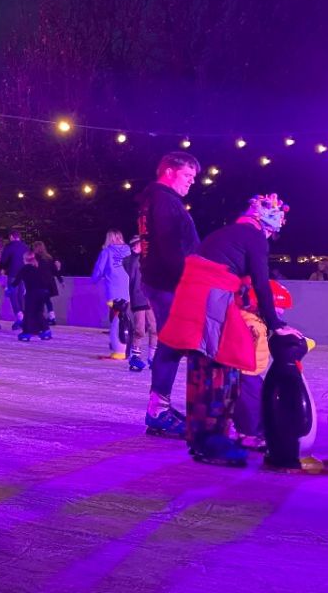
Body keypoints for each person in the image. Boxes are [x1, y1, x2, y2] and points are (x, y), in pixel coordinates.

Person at [158, 194, 302, 467]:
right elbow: (260, 282)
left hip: (192, 296)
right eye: (272, 231)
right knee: (223, 365)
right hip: (211, 298)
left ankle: (201, 438)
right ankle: (213, 441)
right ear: (267, 224)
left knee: (202, 365)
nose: (270, 238)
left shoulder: (225, 235)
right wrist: (276, 325)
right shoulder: (254, 236)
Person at [136, 151, 201, 438]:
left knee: (172, 344)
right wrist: (189, 281)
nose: (191, 182)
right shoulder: (163, 201)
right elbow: (170, 247)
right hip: (169, 283)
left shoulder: (156, 199)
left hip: (162, 281)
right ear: (170, 172)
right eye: (188, 176)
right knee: (173, 344)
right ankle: (158, 410)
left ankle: (159, 407)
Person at [91, 230, 132, 360]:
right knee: (125, 316)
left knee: (116, 317)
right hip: (128, 287)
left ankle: (119, 346)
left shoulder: (107, 252)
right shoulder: (129, 251)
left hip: (113, 288)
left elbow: (99, 269)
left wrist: (94, 279)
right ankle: (125, 345)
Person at [123, 235, 156, 371]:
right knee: (140, 330)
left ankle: (153, 357)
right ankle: (135, 357)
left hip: (151, 297)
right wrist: (135, 254)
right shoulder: (130, 261)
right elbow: (130, 271)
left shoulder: (150, 259)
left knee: (155, 328)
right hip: (138, 297)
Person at [14, 252, 52, 341]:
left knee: (28, 312)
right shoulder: (39, 267)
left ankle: (27, 332)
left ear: (25, 259)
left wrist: (10, 288)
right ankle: (45, 330)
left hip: (32, 294)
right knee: (38, 312)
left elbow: (17, 280)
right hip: (42, 293)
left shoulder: (25, 268)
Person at [0, 230, 30, 328]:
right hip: (24, 275)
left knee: (13, 295)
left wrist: (3, 268)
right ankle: (23, 317)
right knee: (20, 296)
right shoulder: (25, 247)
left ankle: (19, 315)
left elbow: (3, 260)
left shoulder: (9, 246)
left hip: (13, 274)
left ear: (11, 237)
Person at [33, 241, 62, 326]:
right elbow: (54, 270)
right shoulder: (48, 258)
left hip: (40, 283)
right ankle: (52, 317)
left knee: (39, 300)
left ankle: (40, 317)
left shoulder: (35, 258)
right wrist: (61, 280)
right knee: (47, 300)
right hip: (49, 283)